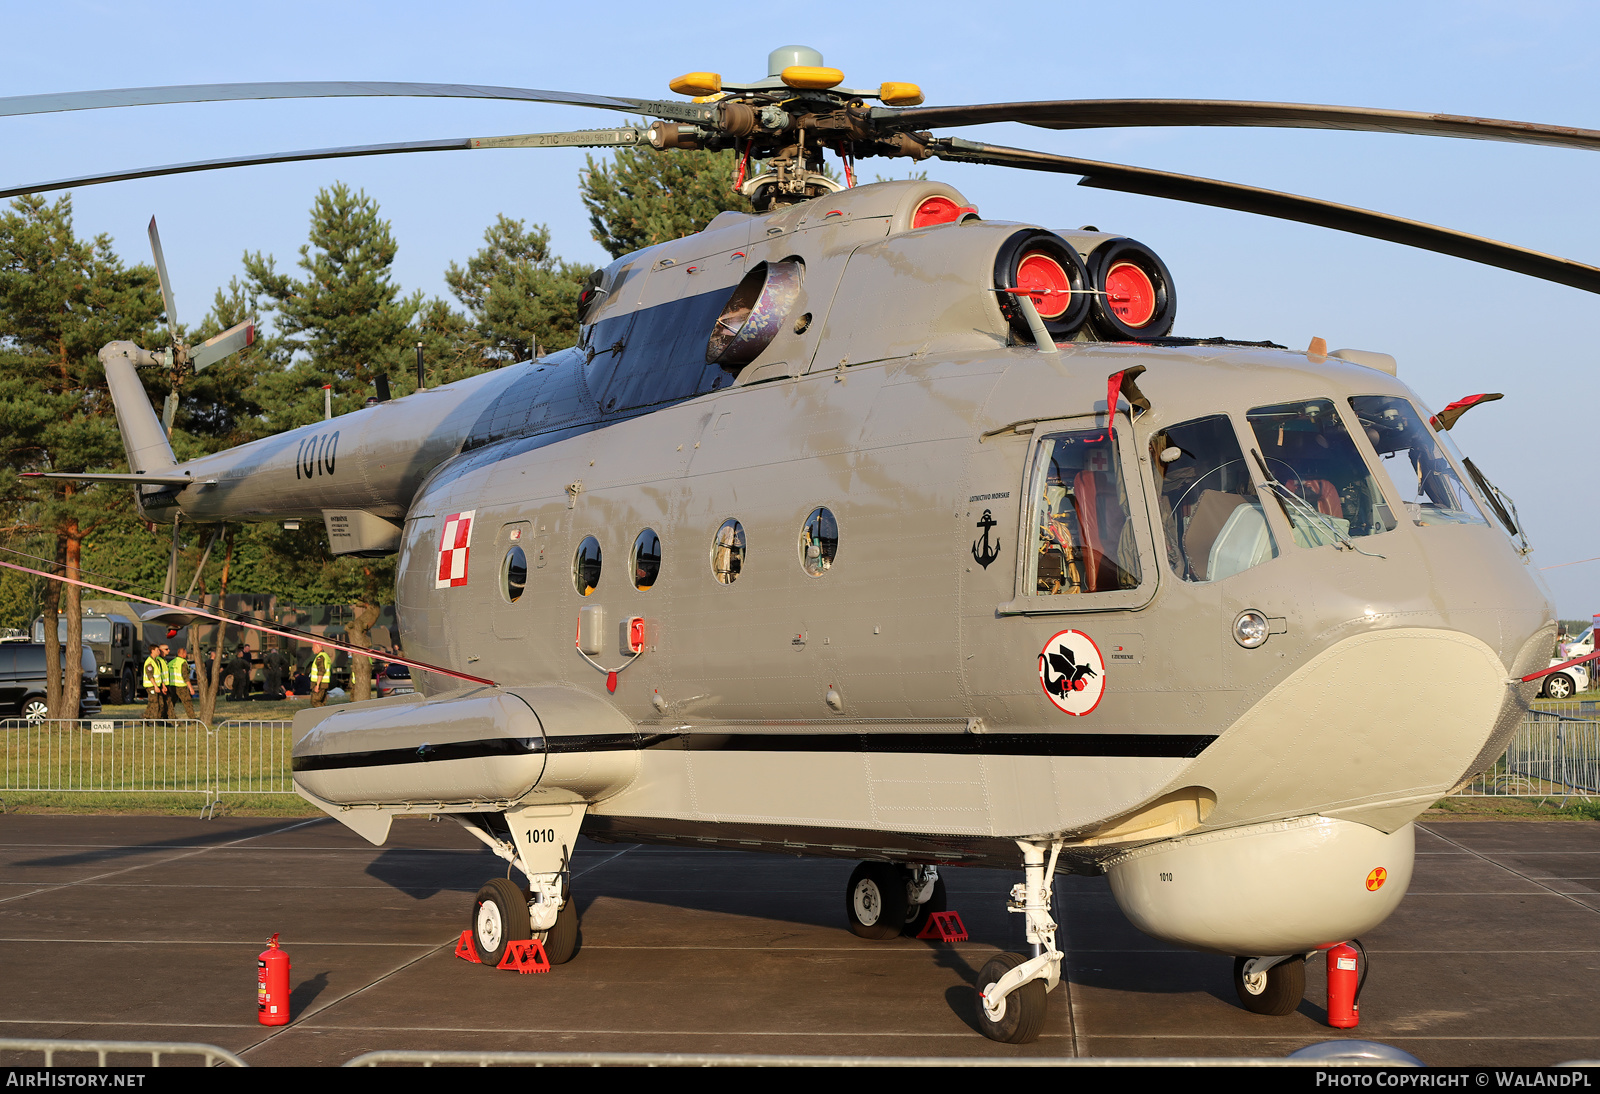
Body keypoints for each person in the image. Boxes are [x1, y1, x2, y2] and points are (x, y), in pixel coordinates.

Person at [168, 645, 197, 719]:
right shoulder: (183, 663)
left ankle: (169, 717)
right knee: (187, 703)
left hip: (172, 686)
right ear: (183, 653)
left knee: (171, 703)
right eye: (186, 653)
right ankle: (193, 719)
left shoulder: (171, 662)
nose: (186, 654)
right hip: (181, 686)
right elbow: (186, 677)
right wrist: (191, 688)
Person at [142, 643, 169, 720]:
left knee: (160, 703)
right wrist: (155, 686)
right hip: (151, 686)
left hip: (158, 686)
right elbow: (150, 676)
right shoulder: (149, 662)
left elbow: (160, 675)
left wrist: (163, 686)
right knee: (154, 704)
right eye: (157, 650)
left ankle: (146, 718)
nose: (159, 652)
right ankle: (154, 720)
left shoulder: (157, 661)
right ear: (152, 651)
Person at [309, 642, 333, 707]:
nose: (312, 649)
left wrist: (317, 685)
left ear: (317, 647)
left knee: (315, 701)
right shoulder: (326, 656)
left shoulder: (320, 657)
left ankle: (322, 715)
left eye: (313, 647)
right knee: (322, 702)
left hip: (320, 683)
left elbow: (321, 671)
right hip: (324, 683)